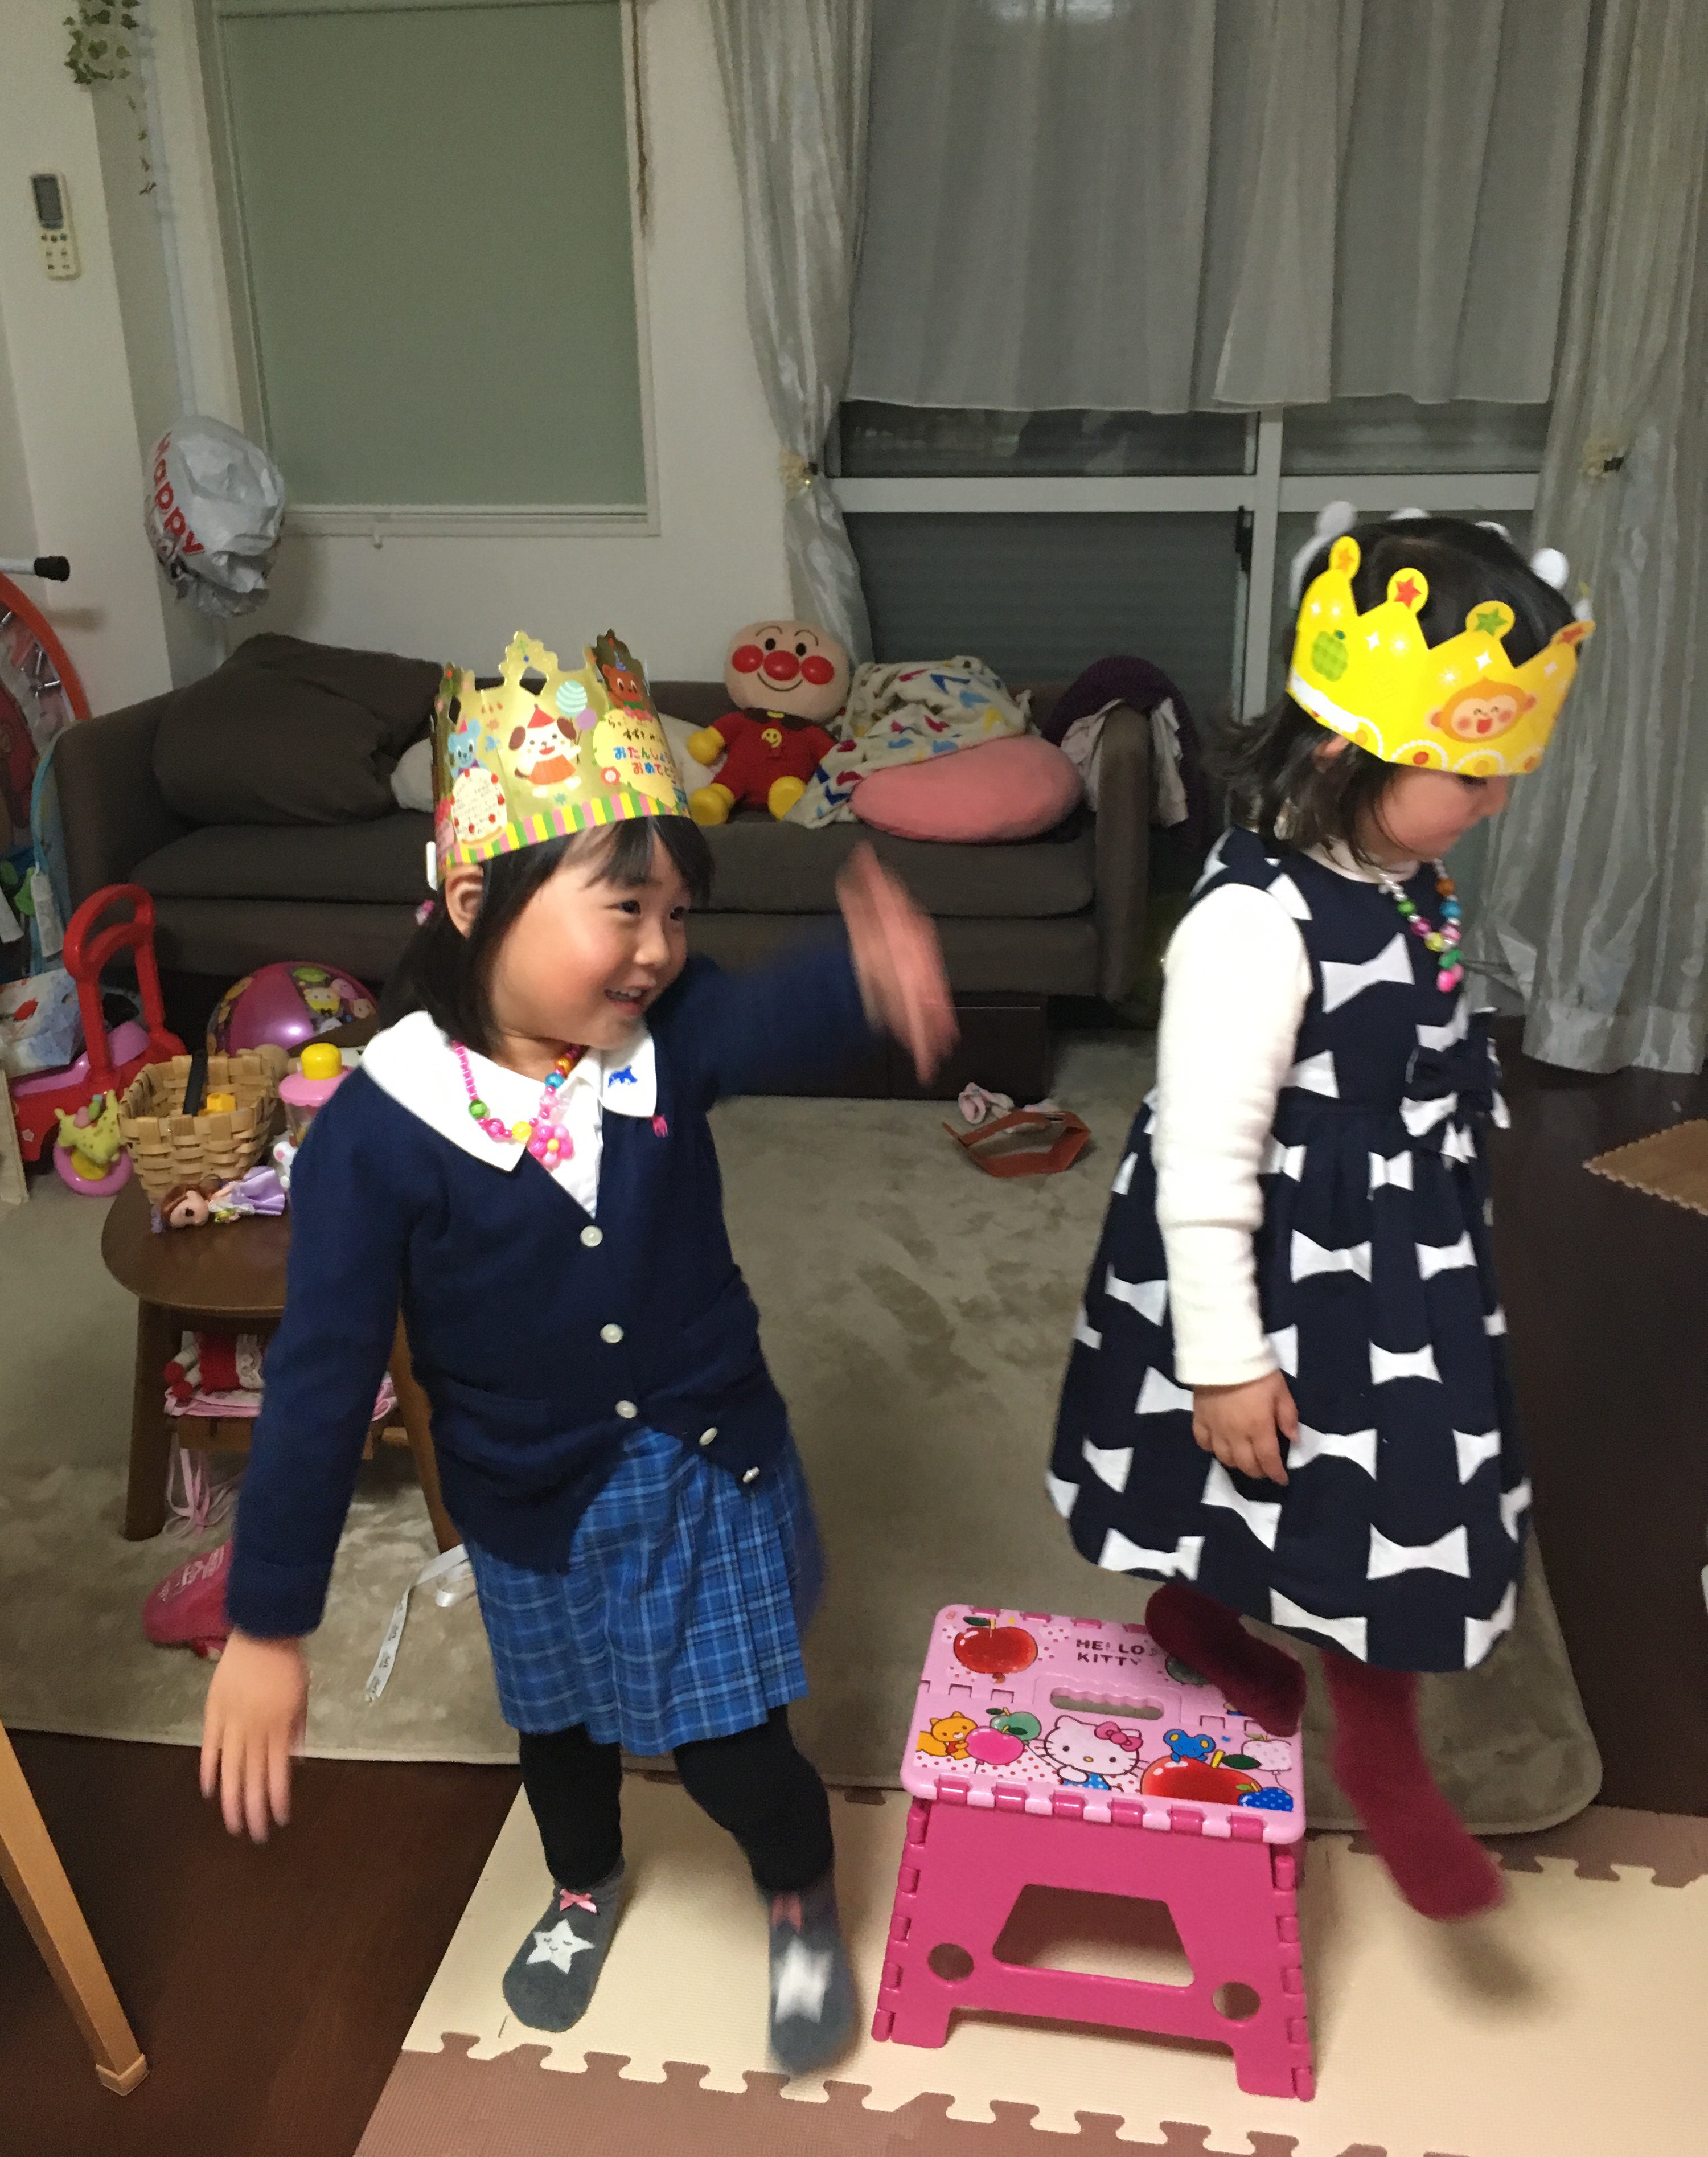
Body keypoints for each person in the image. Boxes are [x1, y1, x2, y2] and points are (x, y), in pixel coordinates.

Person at [200, 629, 956, 2074]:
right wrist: (267, 1620)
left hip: (703, 1467)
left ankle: (800, 1893)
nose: (659, 947)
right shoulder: (381, 1129)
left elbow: (764, 1014)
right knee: (557, 1735)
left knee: (735, 1744)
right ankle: (582, 1883)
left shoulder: (667, 1033)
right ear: (474, 903)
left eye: (675, 911)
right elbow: (320, 1376)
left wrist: (869, 972)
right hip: (525, 1494)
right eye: (624, 908)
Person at [1046, 510, 1594, 1921]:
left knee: (1379, 1481)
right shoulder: (1249, 925)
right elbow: (1203, 1160)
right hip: (1276, 1258)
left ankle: (1243, 1638)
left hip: (1396, 1253)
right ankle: (1341, 1719)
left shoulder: (1404, 876)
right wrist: (1224, 1357)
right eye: (1471, 774)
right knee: (1309, 1477)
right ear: (1351, 751)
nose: (1494, 802)